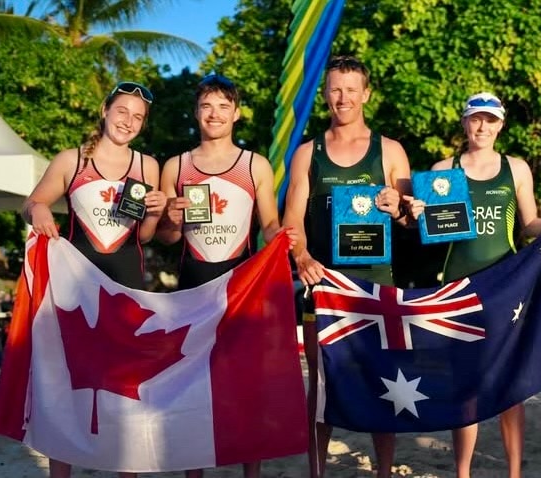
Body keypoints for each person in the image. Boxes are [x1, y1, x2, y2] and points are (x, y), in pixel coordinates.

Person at [21, 81, 166, 478]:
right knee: (65, 385)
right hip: (74, 290)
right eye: (122, 111)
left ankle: (128, 472)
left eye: (138, 117)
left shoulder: (147, 166)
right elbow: (32, 202)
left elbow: (147, 236)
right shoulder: (71, 160)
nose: (128, 122)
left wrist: (154, 212)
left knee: (128, 389)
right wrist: (38, 211)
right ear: (105, 110)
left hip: (126, 290)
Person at [407, 92, 541, 478]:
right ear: (464, 123)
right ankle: (463, 472)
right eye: (476, 119)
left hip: (506, 286)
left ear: (500, 125)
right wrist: (419, 215)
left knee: (510, 386)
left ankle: (514, 472)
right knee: (464, 386)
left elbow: (530, 224)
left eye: (490, 120)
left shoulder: (516, 168)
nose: (482, 127)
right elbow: (430, 236)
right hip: (459, 287)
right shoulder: (444, 168)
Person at [156, 73, 294, 478]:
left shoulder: (255, 164)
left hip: (242, 290)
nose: (213, 114)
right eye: (206, 106)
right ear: (196, 112)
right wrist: (171, 219)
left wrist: (284, 235)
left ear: (236, 113)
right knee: (189, 388)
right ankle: (193, 472)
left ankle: (251, 473)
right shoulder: (176, 165)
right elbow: (166, 237)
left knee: (247, 386)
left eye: (222, 106)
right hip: (191, 289)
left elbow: (268, 225)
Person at [281, 55, 412, 478]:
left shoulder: (389, 150)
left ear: (366, 94)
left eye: (351, 89)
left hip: (378, 285)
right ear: (325, 94)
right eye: (336, 89)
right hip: (324, 287)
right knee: (321, 385)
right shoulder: (307, 153)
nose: (343, 98)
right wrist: (301, 257)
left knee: (384, 383)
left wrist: (399, 208)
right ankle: (317, 471)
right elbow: (291, 223)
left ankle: (384, 472)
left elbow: (414, 219)